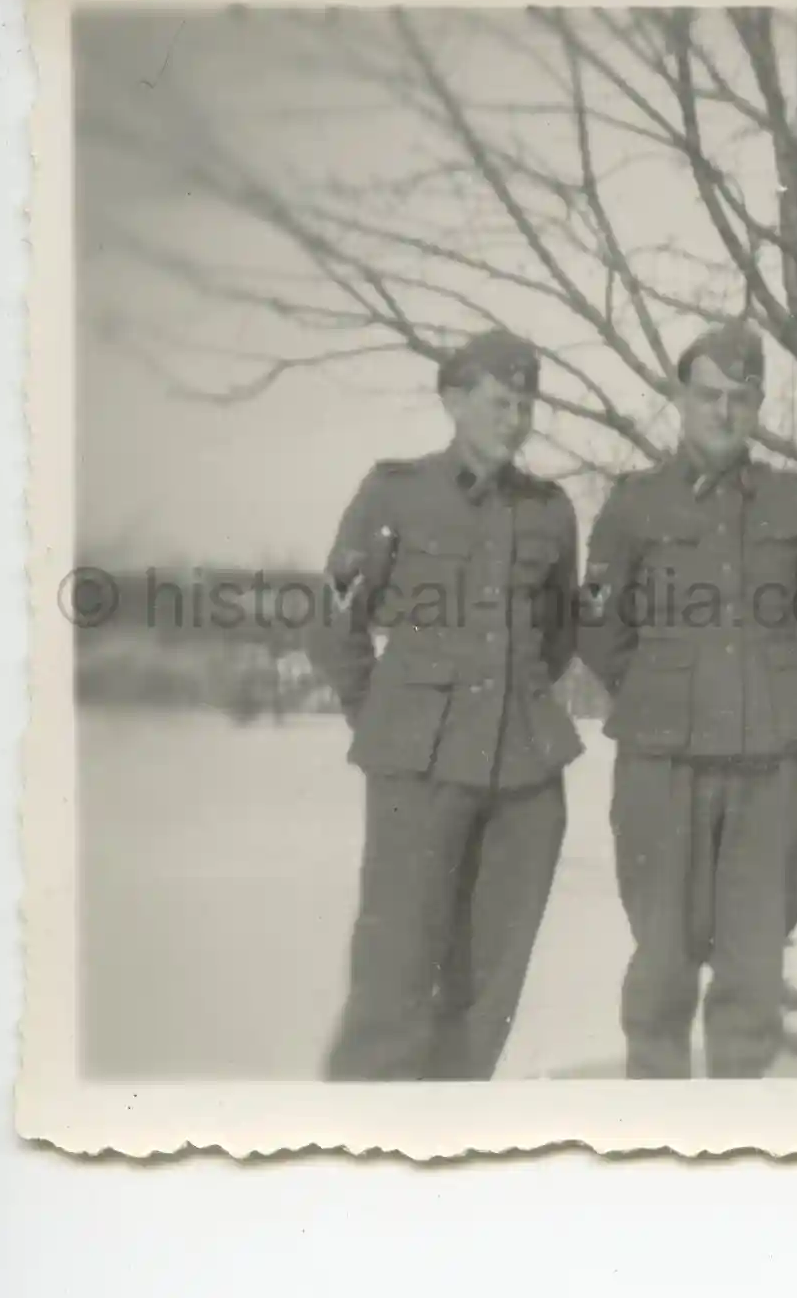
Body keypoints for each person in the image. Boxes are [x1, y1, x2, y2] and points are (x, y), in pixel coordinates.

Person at [310, 327, 584, 1081]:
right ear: (454, 400)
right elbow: (334, 617)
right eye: (501, 402)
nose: (516, 419)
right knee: (393, 976)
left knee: (487, 987)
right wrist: (384, 716)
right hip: (418, 770)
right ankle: (352, 1151)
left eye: (527, 404)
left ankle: (447, 1145)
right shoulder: (394, 492)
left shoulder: (552, 511)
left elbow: (557, 635)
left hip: (525, 776)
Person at [577, 324, 797, 1079]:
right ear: (678, 398)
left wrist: (792, 690)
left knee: (753, 970)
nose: (723, 412)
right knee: (660, 960)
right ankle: (654, 1144)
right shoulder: (632, 505)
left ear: (758, 404)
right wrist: (650, 693)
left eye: (740, 397)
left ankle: (732, 1145)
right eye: (707, 396)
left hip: (772, 771)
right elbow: (595, 618)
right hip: (661, 769)